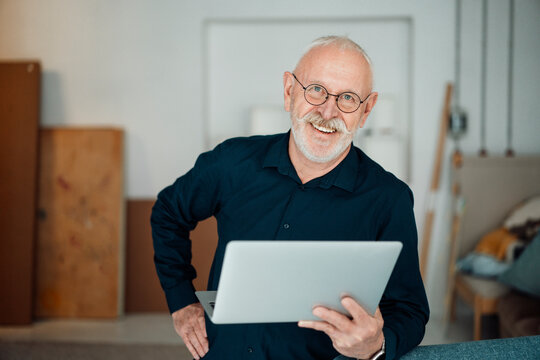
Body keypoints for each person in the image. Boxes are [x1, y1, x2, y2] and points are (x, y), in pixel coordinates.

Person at [151, 35, 429, 360]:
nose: (328, 112)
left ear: (366, 111)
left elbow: (409, 311)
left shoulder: (388, 199)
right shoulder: (232, 163)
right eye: (316, 90)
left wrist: (375, 346)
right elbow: (168, 212)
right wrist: (181, 300)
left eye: (348, 98)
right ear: (289, 91)